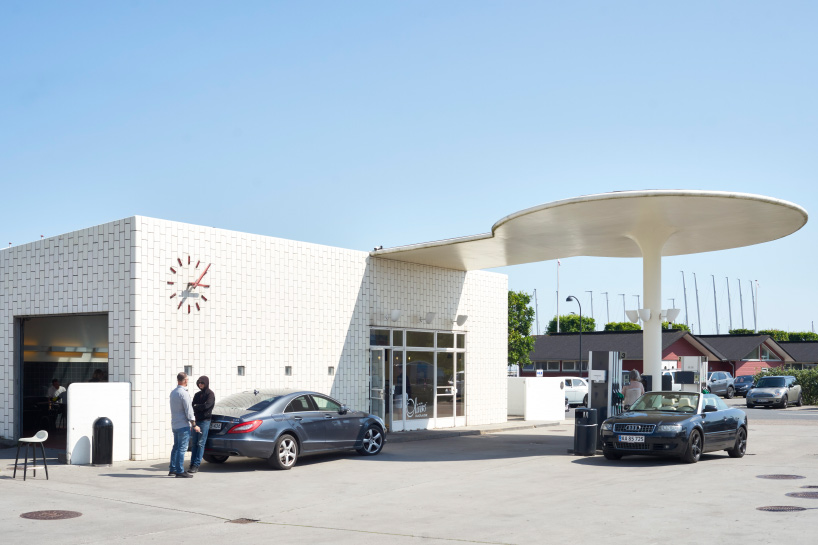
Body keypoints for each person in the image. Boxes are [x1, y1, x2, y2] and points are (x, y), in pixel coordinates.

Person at [169, 372, 199, 478]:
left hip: (175, 424)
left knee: (176, 447)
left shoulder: (173, 392)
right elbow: (189, 410)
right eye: (187, 379)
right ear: (185, 380)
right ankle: (180, 471)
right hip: (183, 425)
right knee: (182, 448)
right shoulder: (184, 393)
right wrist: (194, 424)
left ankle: (172, 469)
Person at [189, 376, 215, 473]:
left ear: (206, 383)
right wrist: (199, 407)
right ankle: (192, 463)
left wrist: (197, 406)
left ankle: (196, 464)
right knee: (194, 443)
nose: (200, 385)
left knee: (200, 443)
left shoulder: (210, 394)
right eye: (199, 383)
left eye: (202, 383)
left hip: (204, 421)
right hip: (196, 421)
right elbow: (192, 406)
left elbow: (207, 406)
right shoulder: (197, 394)